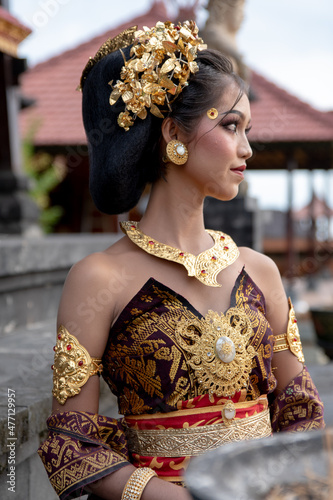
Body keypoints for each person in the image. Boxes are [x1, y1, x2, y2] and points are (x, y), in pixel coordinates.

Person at [38, 20, 324, 500]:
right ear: (173, 132)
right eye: (230, 126)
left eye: (247, 130)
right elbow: (72, 443)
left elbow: (300, 407)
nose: (247, 148)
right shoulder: (98, 279)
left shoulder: (260, 270)